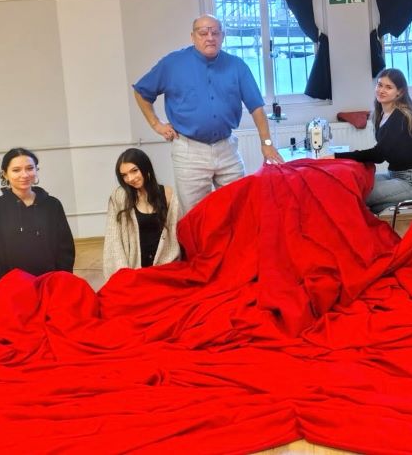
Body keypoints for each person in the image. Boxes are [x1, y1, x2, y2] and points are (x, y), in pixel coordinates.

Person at [133, 14, 284, 213]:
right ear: (193, 37)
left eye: (215, 32)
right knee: (195, 215)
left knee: (240, 208)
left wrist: (267, 143)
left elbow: (256, 107)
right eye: (203, 33)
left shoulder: (237, 66)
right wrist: (156, 124)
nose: (210, 37)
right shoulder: (172, 64)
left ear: (223, 36)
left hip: (227, 149)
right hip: (189, 151)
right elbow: (141, 91)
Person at [322, 68, 412, 214]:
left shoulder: (400, 117)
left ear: (400, 92)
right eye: (379, 85)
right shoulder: (383, 114)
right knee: (353, 185)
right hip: (396, 175)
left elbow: (378, 155)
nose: (381, 90)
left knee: (353, 194)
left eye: (388, 87)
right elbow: (381, 152)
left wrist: (337, 156)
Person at [0, 148, 75, 291]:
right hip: (10, 289)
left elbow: (65, 248)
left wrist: (60, 281)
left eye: (30, 168)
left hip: (50, 285)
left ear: (36, 170)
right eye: (16, 170)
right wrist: (3, 287)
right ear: (5, 174)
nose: (24, 175)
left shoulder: (52, 204)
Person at [103, 148, 182, 280]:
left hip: (165, 269)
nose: (130, 178)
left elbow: (175, 236)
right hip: (134, 272)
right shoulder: (119, 197)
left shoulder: (168, 194)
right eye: (124, 175)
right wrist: (124, 275)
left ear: (146, 168)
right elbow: (113, 240)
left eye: (134, 171)